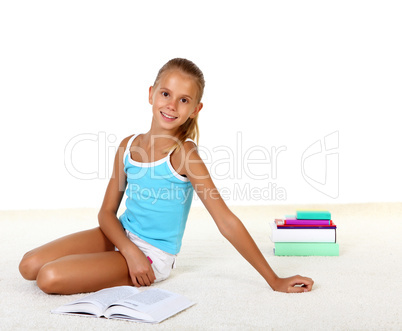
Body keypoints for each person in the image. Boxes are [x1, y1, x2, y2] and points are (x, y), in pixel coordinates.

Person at [19, 58, 314, 295]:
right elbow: (106, 213)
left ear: (196, 110)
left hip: (152, 256)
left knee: (49, 277)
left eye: (184, 100)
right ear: (151, 94)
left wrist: (275, 280)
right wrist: (127, 248)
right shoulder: (128, 146)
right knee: (29, 265)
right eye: (165, 94)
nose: (172, 105)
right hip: (122, 236)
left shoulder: (184, 156)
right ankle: (109, 262)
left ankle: (112, 269)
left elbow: (226, 222)